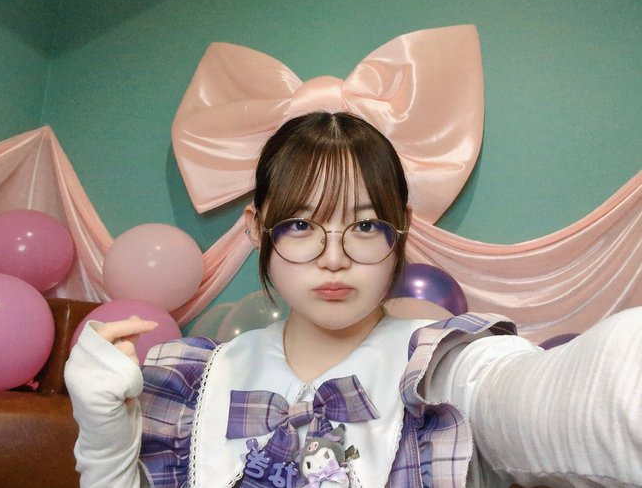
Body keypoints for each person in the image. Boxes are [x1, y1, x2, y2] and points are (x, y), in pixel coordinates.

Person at [65, 111, 642, 488]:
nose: (334, 257)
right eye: (300, 225)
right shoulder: (197, 382)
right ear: (255, 228)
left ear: (402, 227)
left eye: (365, 226)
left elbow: (560, 396)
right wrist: (104, 438)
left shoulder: (441, 371)